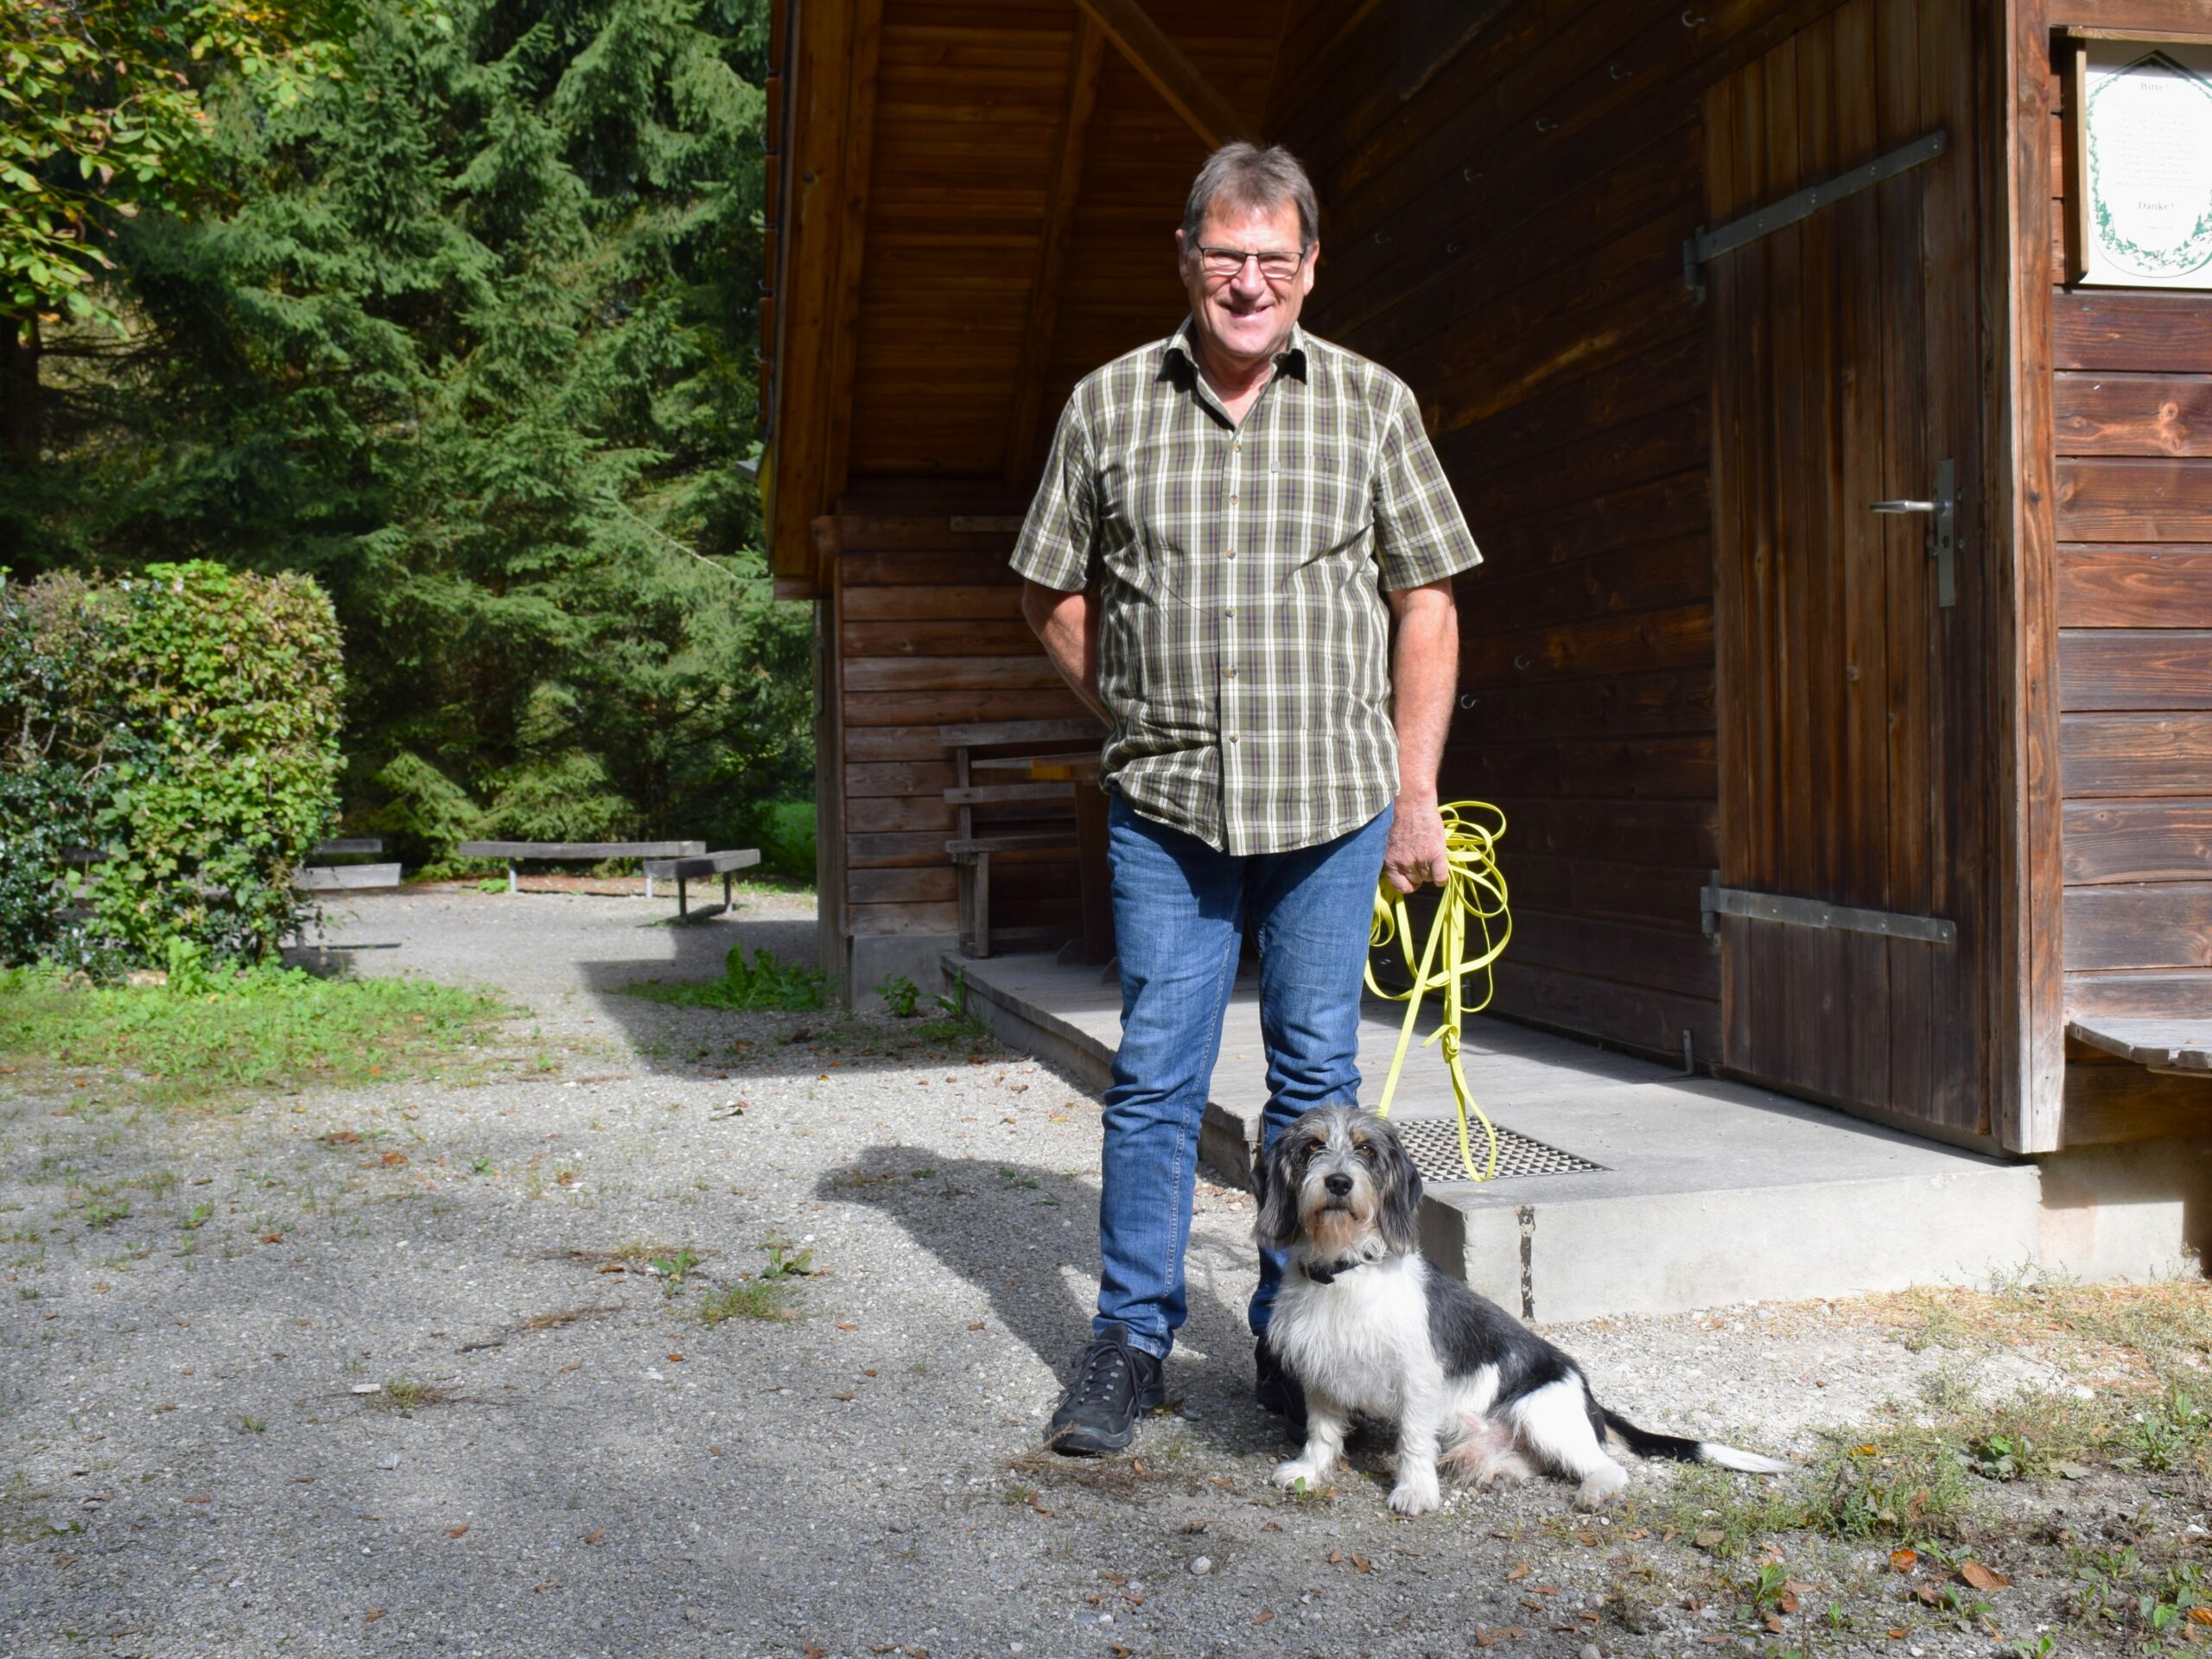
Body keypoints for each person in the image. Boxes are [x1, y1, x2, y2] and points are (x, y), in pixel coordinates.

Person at [1012, 142, 1480, 1456]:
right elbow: (1049, 590)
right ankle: (1132, 1340)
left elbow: (1425, 600)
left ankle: (1296, 1349)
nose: (1251, 281)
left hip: (1333, 805)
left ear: (1311, 267)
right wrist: (1133, 713)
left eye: (1276, 259)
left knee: (1312, 1078)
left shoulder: (1374, 404)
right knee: (1157, 1076)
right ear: (1188, 258)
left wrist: (1416, 791)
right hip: (1167, 809)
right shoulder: (1108, 405)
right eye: (1229, 256)